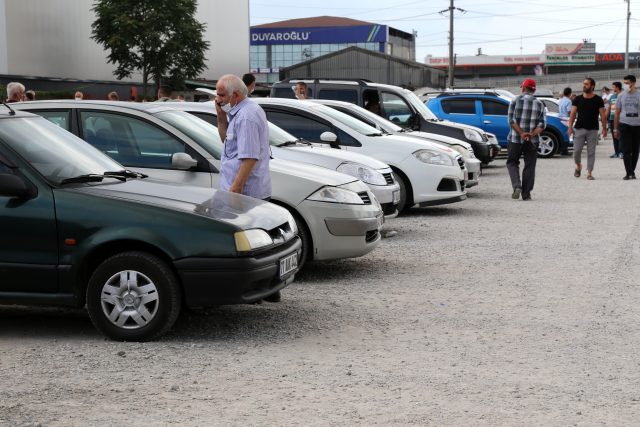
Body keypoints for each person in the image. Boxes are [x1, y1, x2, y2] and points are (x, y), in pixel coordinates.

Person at [506, 79, 546, 201]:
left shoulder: (514, 101)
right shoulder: (540, 103)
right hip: (532, 141)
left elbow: (511, 121)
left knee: (512, 162)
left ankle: (517, 186)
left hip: (515, 139)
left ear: (523, 88)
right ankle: (526, 194)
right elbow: (542, 124)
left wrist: (522, 133)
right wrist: (531, 134)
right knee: (530, 166)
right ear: (534, 90)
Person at [567, 78, 607, 180]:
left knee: (591, 152)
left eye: (586, 84)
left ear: (592, 86)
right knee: (576, 151)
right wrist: (570, 127)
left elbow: (603, 115)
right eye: (584, 84)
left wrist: (604, 128)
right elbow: (572, 114)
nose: (584, 85)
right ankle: (578, 165)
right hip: (579, 128)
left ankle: (589, 172)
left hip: (593, 129)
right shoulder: (577, 99)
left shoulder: (598, 99)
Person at [614, 74, 640, 180]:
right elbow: (617, 112)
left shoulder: (639, 95)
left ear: (633, 83)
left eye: (627, 83)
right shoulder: (621, 95)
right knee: (626, 150)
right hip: (624, 124)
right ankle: (628, 172)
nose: (625, 85)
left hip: (638, 125)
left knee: (635, 150)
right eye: (624, 83)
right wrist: (615, 128)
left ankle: (632, 171)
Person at [607, 82, 623, 158]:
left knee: (620, 136)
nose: (612, 88)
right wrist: (605, 117)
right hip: (612, 119)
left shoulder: (623, 96)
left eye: (613, 87)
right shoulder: (612, 96)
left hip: (621, 119)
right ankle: (616, 152)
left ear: (617, 87)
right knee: (614, 136)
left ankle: (621, 152)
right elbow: (609, 108)